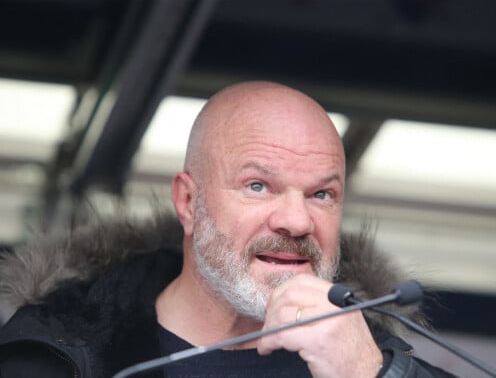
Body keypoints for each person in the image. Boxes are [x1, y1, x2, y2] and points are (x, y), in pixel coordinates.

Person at [0, 81, 456, 377]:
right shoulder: (52, 353)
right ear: (188, 202)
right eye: (258, 186)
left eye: (321, 195)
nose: (297, 221)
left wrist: (372, 374)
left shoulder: (372, 357)